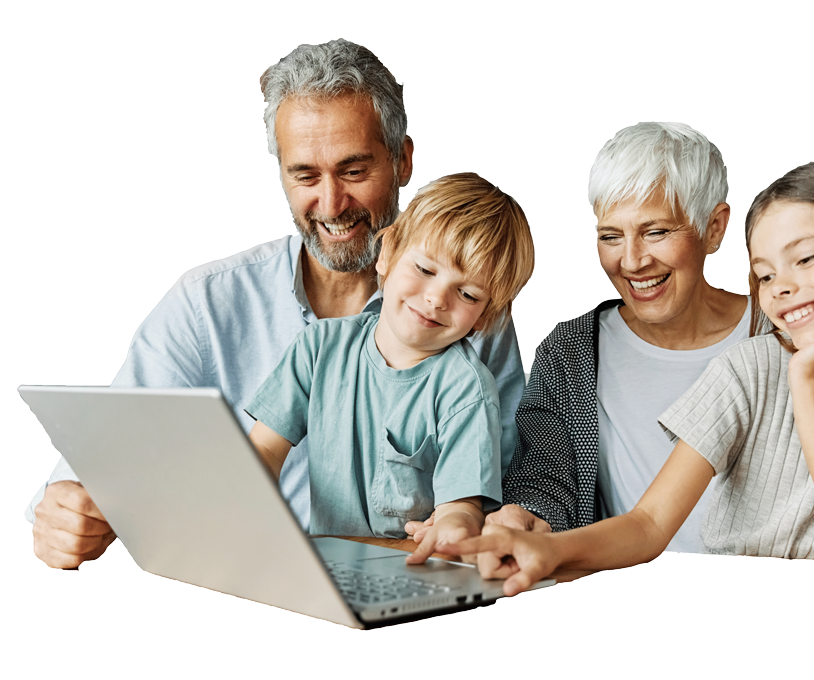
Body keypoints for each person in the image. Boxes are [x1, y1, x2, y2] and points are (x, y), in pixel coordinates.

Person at [24, 40, 527, 570]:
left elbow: (505, 481)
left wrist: (487, 521)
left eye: (354, 172)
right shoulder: (208, 303)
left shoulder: (469, 316)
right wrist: (64, 506)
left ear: (401, 160)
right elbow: (112, 446)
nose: (331, 204)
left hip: (404, 575)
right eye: (305, 175)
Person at [442, 155, 814, 592]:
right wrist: (553, 550)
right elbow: (649, 524)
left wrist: (807, 381)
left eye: (805, 258)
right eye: (764, 274)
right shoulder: (750, 366)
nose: (781, 288)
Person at [409, 122, 752, 559]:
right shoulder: (570, 352)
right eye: (610, 236)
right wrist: (527, 516)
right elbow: (544, 477)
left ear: (714, 228)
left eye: (656, 232)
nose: (632, 261)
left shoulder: (783, 336)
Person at [246, 173, 534, 564]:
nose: (436, 299)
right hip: (324, 566)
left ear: (485, 317)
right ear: (388, 253)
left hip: (411, 567)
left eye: (467, 294)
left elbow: (462, 504)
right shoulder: (318, 347)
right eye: (426, 270)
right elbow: (264, 448)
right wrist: (244, 500)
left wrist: (453, 527)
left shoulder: (467, 389)